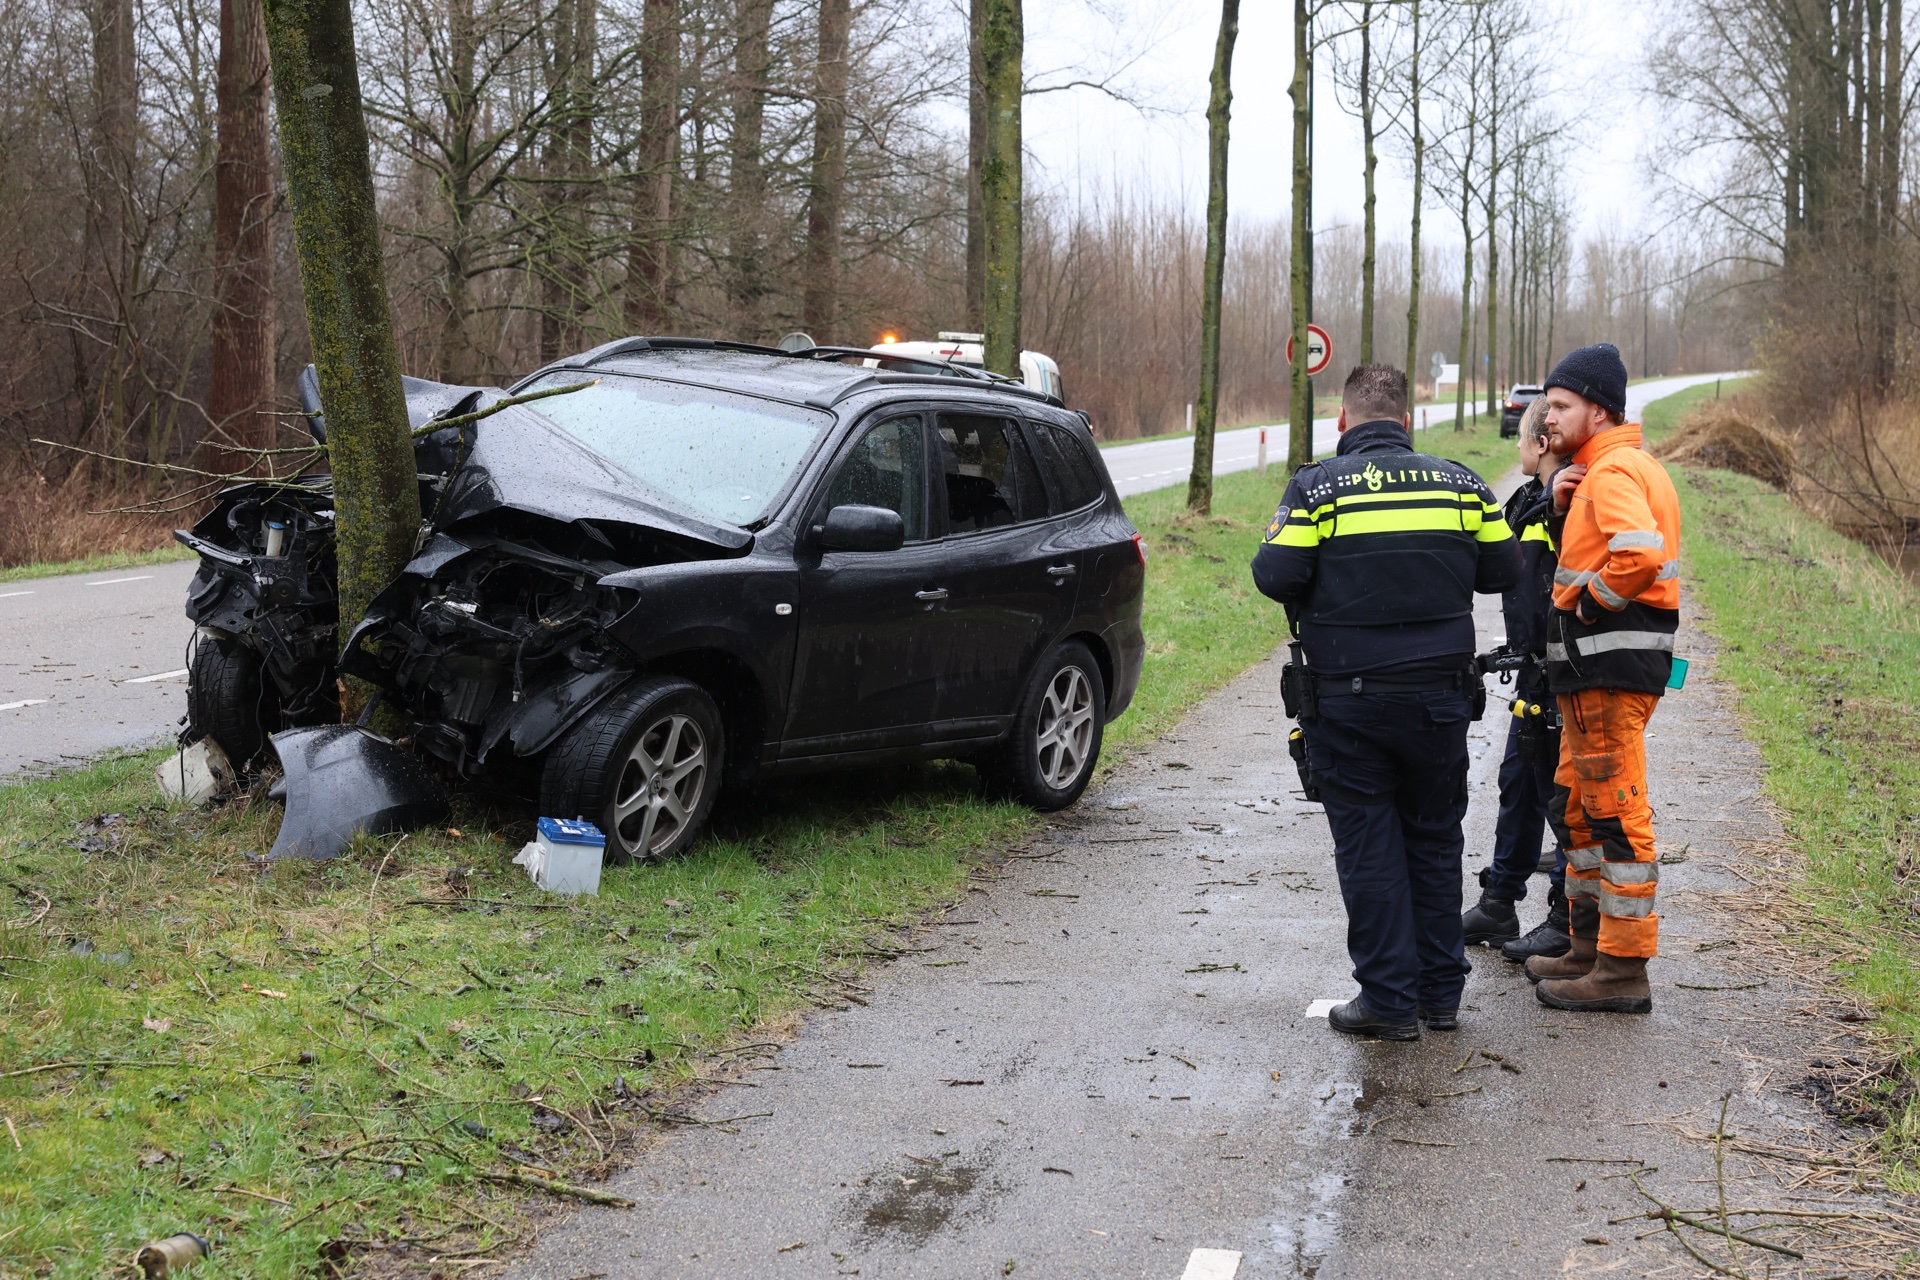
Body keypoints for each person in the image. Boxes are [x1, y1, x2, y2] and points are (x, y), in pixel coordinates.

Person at [1253, 363, 1521, 1041]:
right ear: (1407, 421)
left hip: (1348, 705)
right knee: (1434, 839)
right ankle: (1440, 996)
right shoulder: (1461, 483)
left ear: (1343, 420)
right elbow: (1504, 569)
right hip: (1439, 702)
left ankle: (1388, 1002)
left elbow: (1275, 575)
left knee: (1368, 845)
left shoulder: (1317, 488)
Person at [1527, 342, 1681, 1015]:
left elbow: (1639, 555)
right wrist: (1562, 506)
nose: (1549, 418)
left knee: (1616, 815)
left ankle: (1621, 969)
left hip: (1607, 670)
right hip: (1595, 675)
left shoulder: (1613, 470)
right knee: (1579, 808)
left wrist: (1590, 604)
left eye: (1561, 405)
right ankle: (1588, 948)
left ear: (1598, 408)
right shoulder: (1612, 468)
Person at [1458, 396, 1572, 960]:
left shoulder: (1568, 503)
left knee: (1564, 801)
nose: (1519, 447)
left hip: (1563, 678)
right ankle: (1500, 903)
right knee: (1518, 785)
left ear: (1542, 443)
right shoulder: (1527, 500)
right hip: (1531, 676)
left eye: (1524, 438)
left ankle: (1565, 917)